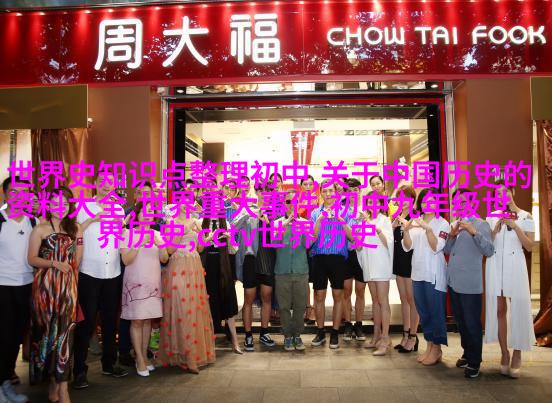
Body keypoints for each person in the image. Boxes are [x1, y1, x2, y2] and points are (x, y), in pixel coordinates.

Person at [72, 174, 129, 390]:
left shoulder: (118, 209)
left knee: (109, 322)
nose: (106, 185)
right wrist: (92, 219)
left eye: (110, 182)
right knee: (85, 324)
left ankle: (109, 364)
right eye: (102, 181)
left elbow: (119, 238)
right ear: (95, 184)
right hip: (89, 273)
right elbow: (73, 232)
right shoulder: (83, 207)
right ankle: (79, 370)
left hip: (112, 273)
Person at [27, 187, 83, 403]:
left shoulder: (76, 228)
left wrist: (74, 288)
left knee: (66, 336)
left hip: (68, 289)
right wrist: (54, 263)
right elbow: (31, 259)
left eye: (65, 203)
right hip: (45, 290)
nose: (60, 207)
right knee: (47, 335)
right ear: (48, 205)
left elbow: (77, 261)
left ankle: (63, 387)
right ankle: (52, 380)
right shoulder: (40, 229)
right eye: (56, 203)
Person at [485, 180, 536, 378]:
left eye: (505, 191)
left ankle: (517, 353)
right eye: (498, 193)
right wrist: (494, 230)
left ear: (512, 191)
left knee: (518, 309)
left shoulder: (526, 216)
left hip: (516, 264)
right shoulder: (492, 217)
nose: (502, 195)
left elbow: (530, 246)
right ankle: (504, 353)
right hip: (496, 264)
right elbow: (486, 245)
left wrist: (515, 227)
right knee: (500, 310)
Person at [157, 201, 216, 372]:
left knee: (194, 309)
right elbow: (169, 250)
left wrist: (206, 237)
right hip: (178, 268)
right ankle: (182, 355)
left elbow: (200, 248)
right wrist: (183, 230)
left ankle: (192, 355)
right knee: (181, 309)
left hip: (194, 268)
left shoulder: (196, 221)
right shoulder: (171, 222)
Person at [444, 188, 495, 379]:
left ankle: (475, 362)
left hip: (470, 283)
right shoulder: (455, 224)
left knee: (472, 322)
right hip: (454, 281)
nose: (460, 205)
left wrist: (474, 232)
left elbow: (489, 250)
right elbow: (447, 250)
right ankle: (467, 353)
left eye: (464, 202)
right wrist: (452, 235)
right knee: (461, 321)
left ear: (473, 203)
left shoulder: (481, 224)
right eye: (457, 202)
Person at [401, 187, 450, 366]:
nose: (427, 204)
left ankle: (437, 348)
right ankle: (429, 345)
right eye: (424, 201)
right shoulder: (416, 221)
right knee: (423, 311)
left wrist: (428, 229)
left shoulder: (443, 223)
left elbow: (437, 246)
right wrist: (406, 231)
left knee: (435, 312)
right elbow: (408, 246)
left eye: (432, 200)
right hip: (418, 273)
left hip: (434, 274)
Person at [119, 202, 167, 377]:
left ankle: (145, 357)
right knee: (137, 321)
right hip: (135, 284)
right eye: (143, 212)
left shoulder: (156, 234)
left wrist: (161, 245)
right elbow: (126, 260)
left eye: (151, 212)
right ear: (137, 215)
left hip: (153, 284)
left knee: (147, 320)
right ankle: (139, 358)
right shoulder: (127, 233)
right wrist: (139, 243)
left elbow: (164, 258)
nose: (147, 215)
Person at [0, 176, 37, 403]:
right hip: (3, 286)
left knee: (16, 337)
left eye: (24, 192)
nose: (18, 196)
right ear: (5, 194)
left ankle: (5, 380)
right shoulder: (0, 220)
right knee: (3, 336)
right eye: (13, 191)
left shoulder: (33, 221)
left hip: (26, 286)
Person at [310, 179, 354, 349]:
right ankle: (320, 331)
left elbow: (352, 237)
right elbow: (311, 238)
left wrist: (340, 219)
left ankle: (335, 332)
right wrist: (319, 220)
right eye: (325, 191)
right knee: (319, 296)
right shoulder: (315, 213)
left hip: (338, 258)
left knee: (338, 296)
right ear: (320, 192)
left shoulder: (345, 212)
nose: (328, 194)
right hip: (319, 258)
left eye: (331, 191)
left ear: (336, 193)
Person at [232, 183, 276, 351]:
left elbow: (278, 237)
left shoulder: (275, 213)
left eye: (269, 192)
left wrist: (269, 221)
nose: (266, 194)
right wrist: (250, 213)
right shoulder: (248, 209)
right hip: (251, 259)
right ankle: (248, 335)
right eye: (262, 191)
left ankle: (264, 332)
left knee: (267, 297)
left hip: (268, 258)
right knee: (248, 298)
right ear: (257, 192)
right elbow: (233, 227)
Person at [356, 191, 394, 356]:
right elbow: (359, 246)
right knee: (375, 301)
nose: (372, 205)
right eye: (369, 202)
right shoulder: (364, 221)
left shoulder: (385, 220)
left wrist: (374, 227)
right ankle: (376, 335)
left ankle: (385, 338)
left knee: (383, 301)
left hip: (381, 265)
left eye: (375, 202)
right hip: (369, 265)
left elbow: (388, 243)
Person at [200, 216, 241, 354]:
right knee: (209, 305)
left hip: (223, 267)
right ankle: (208, 344)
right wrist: (209, 238)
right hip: (207, 268)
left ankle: (235, 342)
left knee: (228, 303)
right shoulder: (201, 223)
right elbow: (198, 247)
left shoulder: (226, 224)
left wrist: (229, 238)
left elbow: (234, 250)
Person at [274, 189, 309, 351]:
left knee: (301, 306)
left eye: (295, 201)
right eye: (288, 201)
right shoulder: (277, 223)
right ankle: (287, 335)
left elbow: (308, 245)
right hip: (282, 271)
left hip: (301, 270)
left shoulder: (305, 222)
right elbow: (274, 242)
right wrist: (285, 224)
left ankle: (297, 335)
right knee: (284, 306)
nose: (291, 205)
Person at [391, 185, 419, 353]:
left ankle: (413, 336)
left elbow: (414, 241)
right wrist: (393, 225)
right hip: (399, 261)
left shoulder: (416, 216)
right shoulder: (396, 216)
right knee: (403, 299)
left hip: (411, 261)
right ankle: (405, 334)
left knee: (412, 300)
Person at [342, 178, 366, 342]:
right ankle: (348, 324)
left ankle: (359, 324)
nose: (352, 194)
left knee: (360, 290)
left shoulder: (366, 210)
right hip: (346, 254)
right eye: (349, 191)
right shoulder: (341, 211)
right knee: (346, 290)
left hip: (362, 254)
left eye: (355, 190)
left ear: (360, 191)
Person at [298, 175, 317, 325]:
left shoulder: (319, 201)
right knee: (304, 280)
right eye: (306, 184)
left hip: (316, 244)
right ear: (301, 186)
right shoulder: (296, 202)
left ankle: (315, 310)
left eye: (311, 184)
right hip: (301, 244)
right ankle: (307, 307)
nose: (308, 187)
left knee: (317, 279)